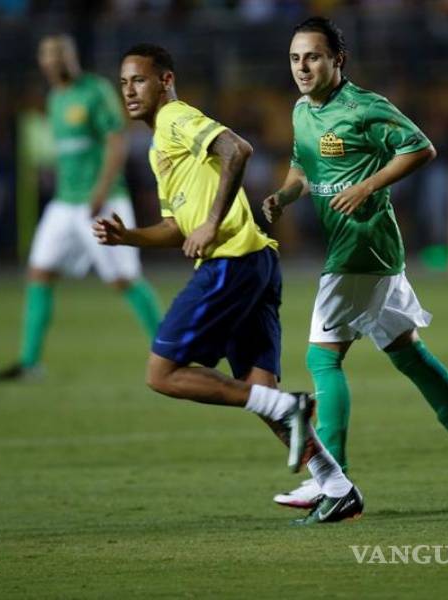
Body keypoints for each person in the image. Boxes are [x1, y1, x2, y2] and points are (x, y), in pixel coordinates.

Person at [93, 43, 362, 524]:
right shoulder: (161, 147)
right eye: (123, 83)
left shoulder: (176, 118)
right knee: (258, 388)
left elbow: (238, 149)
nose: (129, 91)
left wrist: (213, 223)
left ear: (165, 81)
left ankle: (290, 407)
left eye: (138, 80)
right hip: (254, 260)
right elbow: (177, 226)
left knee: (163, 374)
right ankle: (336, 487)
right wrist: (127, 237)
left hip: (230, 262)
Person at [263, 17, 448, 513]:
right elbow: (302, 167)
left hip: (360, 245)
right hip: (370, 252)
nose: (302, 67)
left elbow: (421, 148)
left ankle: (334, 482)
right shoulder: (300, 110)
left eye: (313, 56)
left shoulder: (364, 107)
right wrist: (284, 196)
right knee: (408, 354)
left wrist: (367, 185)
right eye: (295, 58)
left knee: (322, 358)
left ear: (338, 59)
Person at [0, 34, 162, 381]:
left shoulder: (95, 91)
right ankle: (29, 362)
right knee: (39, 273)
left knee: (123, 280)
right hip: (65, 204)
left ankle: (174, 351)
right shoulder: (55, 98)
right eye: (48, 54)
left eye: (60, 54)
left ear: (73, 57)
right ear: (42, 62)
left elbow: (117, 141)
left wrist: (100, 190)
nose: (54, 60)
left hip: (102, 201)